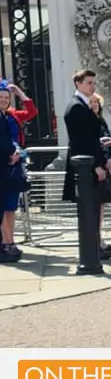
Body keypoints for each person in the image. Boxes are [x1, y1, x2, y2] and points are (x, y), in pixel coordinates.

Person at [61, 69, 111, 259]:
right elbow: (82, 142)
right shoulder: (76, 107)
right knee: (89, 207)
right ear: (78, 84)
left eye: (93, 82)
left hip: (90, 163)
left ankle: (95, 244)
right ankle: (92, 248)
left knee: (95, 205)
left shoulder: (85, 106)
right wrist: (96, 165)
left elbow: (93, 137)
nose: (93, 86)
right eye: (89, 83)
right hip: (85, 166)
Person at [0, 80, 34, 261]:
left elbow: (32, 112)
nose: (4, 100)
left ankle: (9, 240)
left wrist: (19, 92)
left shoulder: (12, 115)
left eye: (6, 97)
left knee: (11, 206)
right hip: (4, 162)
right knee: (4, 205)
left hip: (14, 162)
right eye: (1, 97)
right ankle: (7, 241)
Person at [89, 94, 111, 220]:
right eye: (91, 102)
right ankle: (94, 233)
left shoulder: (101, 120)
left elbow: (109, 142)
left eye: (96, 102)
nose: (94, 104)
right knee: (94, 202)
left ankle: (98, 232)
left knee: (101, 202)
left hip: (105, 163)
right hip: (94, 165)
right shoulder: (87, 122)